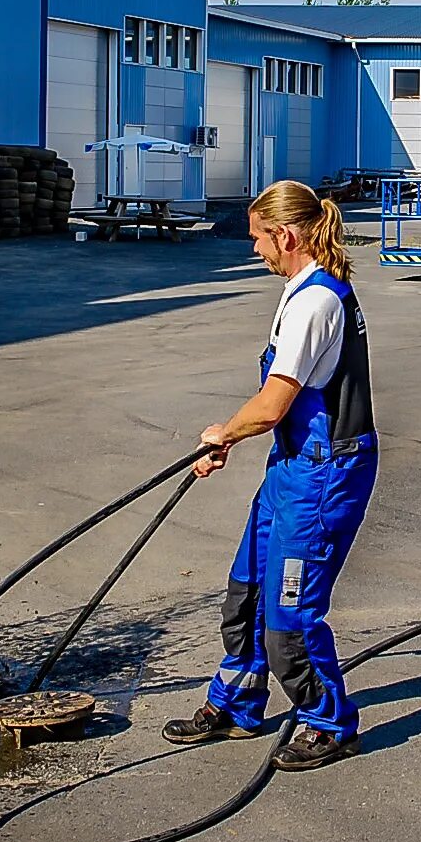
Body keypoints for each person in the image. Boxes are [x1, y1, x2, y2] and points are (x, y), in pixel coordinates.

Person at [163, 180, 377, 770]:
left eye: (258, 236)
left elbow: (273, 403)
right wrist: (232, 438)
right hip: (292, 465)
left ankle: (328, 722)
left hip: (325, 473)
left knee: (290, 614)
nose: (254, 247)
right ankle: (237, 704)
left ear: (285, 234)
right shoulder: (298, 289)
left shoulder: (316, 302)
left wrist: (223, 435)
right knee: (248, 592)